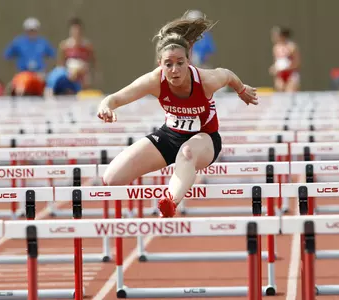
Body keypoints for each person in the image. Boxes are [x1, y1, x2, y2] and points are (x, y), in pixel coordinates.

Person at [97, 11, 258, 218]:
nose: (174, 70)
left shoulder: (206, 80)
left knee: (187, 153)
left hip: (205, 139)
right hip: (170, 135)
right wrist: (105, 106)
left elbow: (227, 75)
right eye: (168, 64)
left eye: (180, 63)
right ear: (160, 65)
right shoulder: (154, 81)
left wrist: (242, 90)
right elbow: (116, 98)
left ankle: (170, 203)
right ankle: (174, 184)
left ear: (189, 61)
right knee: (112, 177)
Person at [57, 17, 96, 88]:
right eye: (74, 30)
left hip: (84, 74)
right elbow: (61, 64)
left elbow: (93, 61)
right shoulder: (64, 45)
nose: (76, 32)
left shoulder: (87, 45)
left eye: (78, 30)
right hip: (70, 74)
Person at [269, 26, 301, 92]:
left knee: (290, 92)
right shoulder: (276, 48)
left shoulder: (292, 47)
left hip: (291, 73)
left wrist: (286, 68)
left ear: (282, 36)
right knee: (280, 91)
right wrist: (274, 68)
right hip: (280, 74)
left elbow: (297, 63)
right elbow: (276, 62)